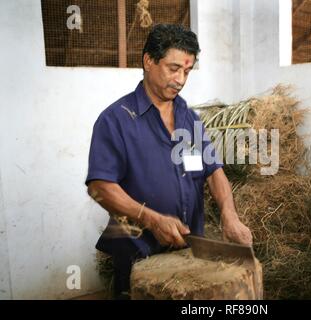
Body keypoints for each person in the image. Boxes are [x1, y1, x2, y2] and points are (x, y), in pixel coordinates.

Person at [85, 24, 252, 299]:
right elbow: (100, 186)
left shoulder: (190, 119)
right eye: (173, 68)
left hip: (190, 253)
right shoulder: (116, 120)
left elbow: (214, 171)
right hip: (138, 254)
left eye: (186, 71)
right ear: (148, 61)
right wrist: (151, 219)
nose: (180, 79)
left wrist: (229, 215)